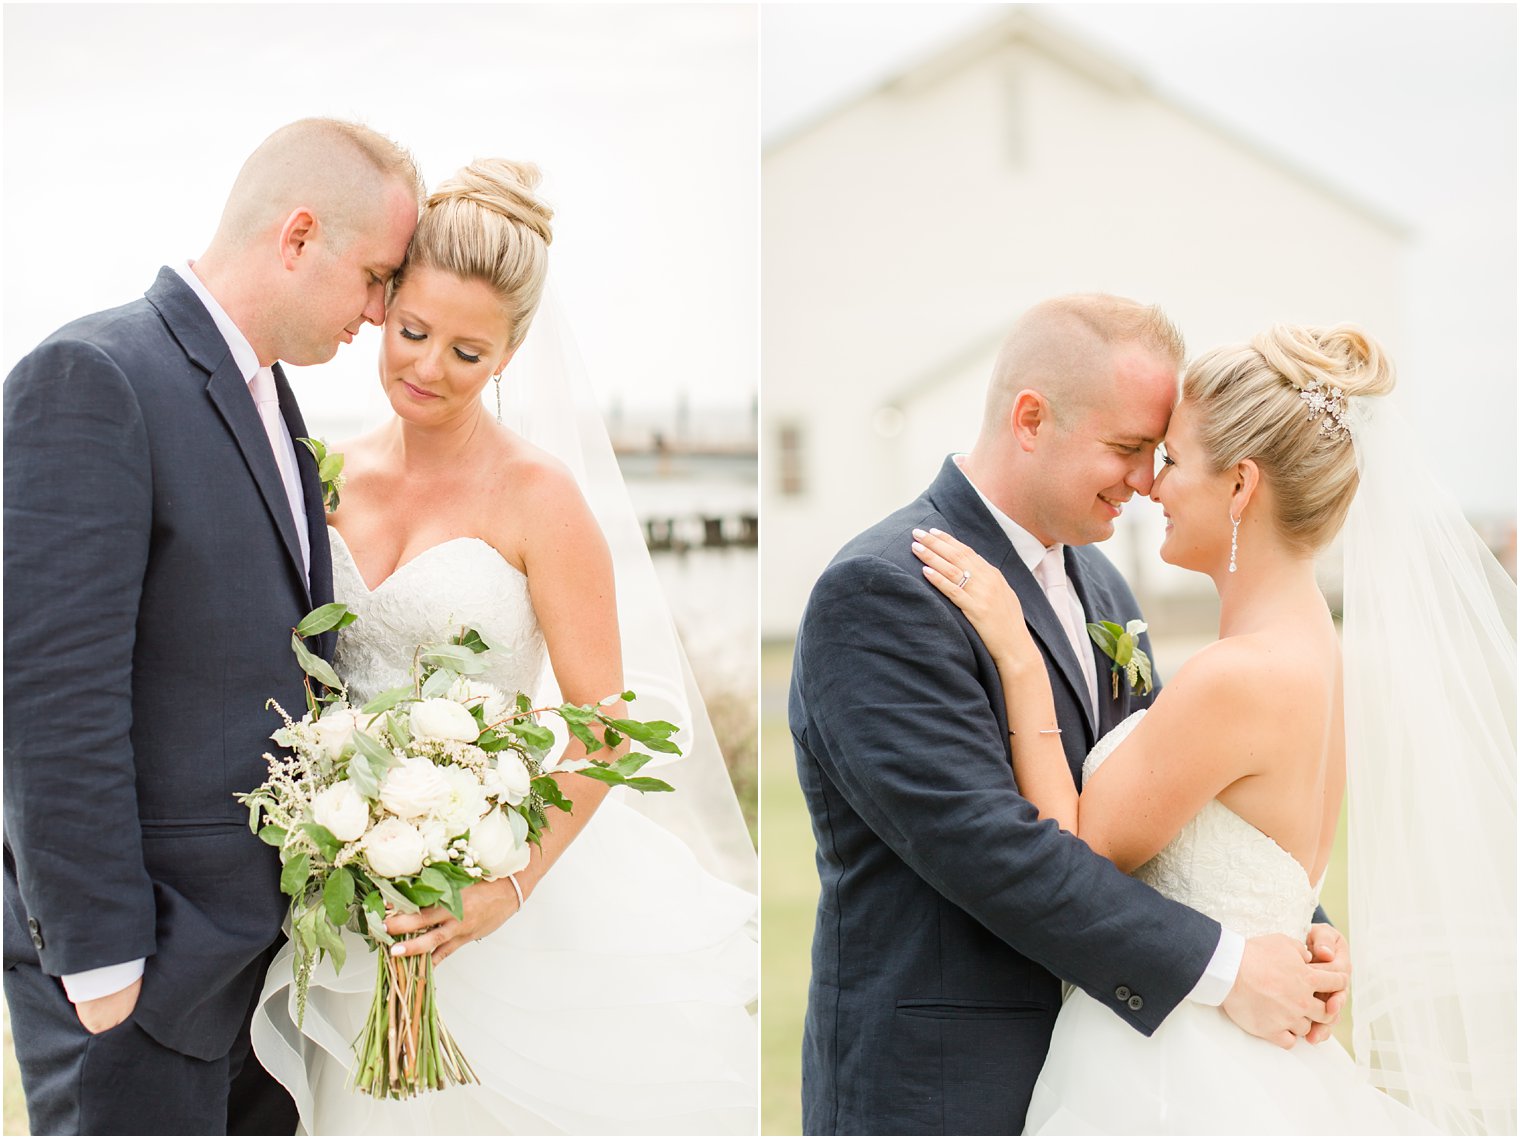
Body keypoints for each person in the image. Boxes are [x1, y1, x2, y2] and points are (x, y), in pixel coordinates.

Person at [249, 159, 759, 1135]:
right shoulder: (325, 476)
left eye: (467, 351)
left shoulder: (540, 497)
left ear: (511, 354)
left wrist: (502, 886)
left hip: (504, 889)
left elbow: (611, 723)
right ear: (384, 303)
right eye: (412, 333)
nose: (429, 368)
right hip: (350, 891)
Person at [912, 322, 1514, 1133]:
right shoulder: (1317, 651)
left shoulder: (1238, 676)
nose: (1152, 487)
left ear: (1241, 486)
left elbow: (1072, 854)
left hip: (1178, 1070)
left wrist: (1019, 660)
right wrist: (1310, 930)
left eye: (1173, 460)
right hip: (1254, 1051)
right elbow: (1256, 854)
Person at [787, 295, 1355, 1135]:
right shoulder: (885, 589)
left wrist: (1299, 930)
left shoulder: (1104, 588)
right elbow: (999, 853)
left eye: (1159, 454)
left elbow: (1179, 806)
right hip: (943, 1091)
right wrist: (1233, 967)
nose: (1145, 479)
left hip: (1121, 1076)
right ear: (1030, 419)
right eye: (1127, 448)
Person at [3, 118, 422, 1134]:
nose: (378, 310)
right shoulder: (94, 374)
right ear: (297, 236)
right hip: (141, 982)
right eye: (372, 276)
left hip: (264, 977)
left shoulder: (279, 402)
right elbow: (52, 688)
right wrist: (104, 968)